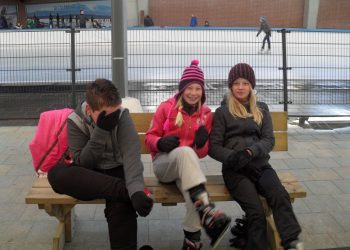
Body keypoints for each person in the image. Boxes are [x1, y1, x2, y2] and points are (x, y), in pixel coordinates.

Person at [47, 79, 154, 250]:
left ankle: (125, 193)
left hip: (116, 171)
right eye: (107, 115)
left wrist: (137, 191)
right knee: (55, 174)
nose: (113, 118)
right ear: (89, 110)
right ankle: (126, 192)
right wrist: (101, 131)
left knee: (120, 207)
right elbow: (83, 163)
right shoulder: (75, 121)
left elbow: (132, 158)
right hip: (90, 177)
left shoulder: (122, 116)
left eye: (115, 112)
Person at [209, 63, 304, 250]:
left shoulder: (261, 109)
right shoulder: (222, 112)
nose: (241, 87)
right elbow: (214, 146)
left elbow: (269, 140)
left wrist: (251, 152)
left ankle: (291, 242)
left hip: (260, 166)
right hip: (236, 171)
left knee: (279, 195)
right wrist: (234, 157)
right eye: (236, 83)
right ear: (231, 86)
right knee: (256, 213)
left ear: (252, 85)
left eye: (245, 83)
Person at [145, 60, 231, 249]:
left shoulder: (206, 115)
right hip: (164, 166)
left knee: (195, 189)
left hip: (186, 170)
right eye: (189, 88)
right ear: (182, 89)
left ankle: (193, 240)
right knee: (186, 156)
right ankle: (207, 213)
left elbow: (200, 154)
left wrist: (201, 144)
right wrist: (160, 142)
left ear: (203, 91)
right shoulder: (167, 108)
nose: (193, 93)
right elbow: (149, 137)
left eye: (197, 88)